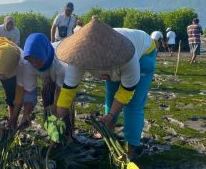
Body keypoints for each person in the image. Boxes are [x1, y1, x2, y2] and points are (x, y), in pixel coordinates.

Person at [55, 19, 156, 159]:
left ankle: (130, 147)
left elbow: (127, 91)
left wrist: (111, 115)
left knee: (133, 105)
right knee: (110, 97)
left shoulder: (127, 55)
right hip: (116, 67)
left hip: (144, 54)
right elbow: (67, 91)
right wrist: (57, 121)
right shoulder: (78, 56)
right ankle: (109, 134)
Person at [10, 33, 68, 129]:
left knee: (62, 111)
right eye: (31, 61)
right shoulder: (27, 64)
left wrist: (55, 105)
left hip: (64, 81)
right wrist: (26, 113)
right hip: (47, 80)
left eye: (37, 60)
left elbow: (60, 89)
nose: (34, 64)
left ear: (43, 54)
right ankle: (52, 133)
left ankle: (66, 134)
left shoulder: (60, 63)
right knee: (48, 109)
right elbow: (30, 92)